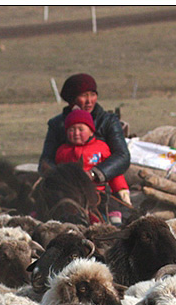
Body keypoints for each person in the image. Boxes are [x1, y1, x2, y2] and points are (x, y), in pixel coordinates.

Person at [39, 73, 131, 217]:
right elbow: (46, 160)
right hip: (66, 188)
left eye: (92, 95)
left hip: (102, 185)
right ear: (71, 99)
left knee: (119, 217)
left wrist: (95, 173)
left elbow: (122, 156)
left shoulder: (108, 121)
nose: (89, 101)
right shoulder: (57, 124)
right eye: (83, 96)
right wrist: (65, 178)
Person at [54, 108, 129, 225]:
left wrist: (122, 190)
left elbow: (114, 172)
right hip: (73, 196)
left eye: (80, 129)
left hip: (100, 192)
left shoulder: (101, 148)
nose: (76, 133)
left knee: (113, 211)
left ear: (91, 131)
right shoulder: (62, 152)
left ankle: (116, 227)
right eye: (71, 130)